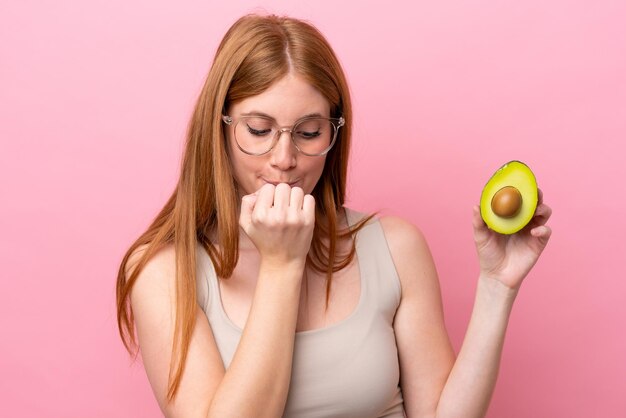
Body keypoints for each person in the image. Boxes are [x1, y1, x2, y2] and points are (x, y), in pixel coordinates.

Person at [116, 13, 552, 418]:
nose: (284, 158)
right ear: (221, 127)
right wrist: (282, 264)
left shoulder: (395, 246)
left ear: (334, 131)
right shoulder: (162, 271)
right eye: (259, 130)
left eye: (309, 132)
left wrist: (497, 286)